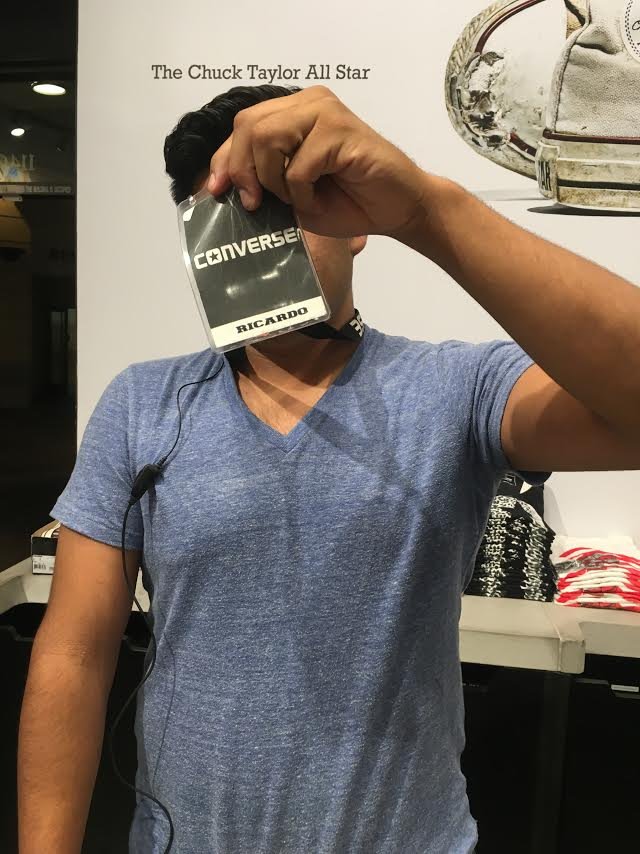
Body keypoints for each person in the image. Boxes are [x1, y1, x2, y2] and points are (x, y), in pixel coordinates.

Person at [17, 84, 640, 854]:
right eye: (229, 211)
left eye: (284, 203)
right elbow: (75, 653)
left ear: (356, 225)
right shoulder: (143, 403)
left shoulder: (454, 389)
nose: (262, 235)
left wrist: (426, 210)